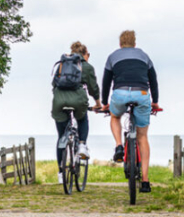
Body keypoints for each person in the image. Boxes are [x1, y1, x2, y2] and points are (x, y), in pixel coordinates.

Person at [101, 30, 160, 193]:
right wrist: (154, 102)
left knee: (115, 117)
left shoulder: (113, 56)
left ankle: (119, 146)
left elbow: (106, 82)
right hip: (141, 94)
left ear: (120, 44)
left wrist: (105, 103)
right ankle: (146, 181)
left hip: (119, 94)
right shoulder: (144, 56)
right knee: (142, 136)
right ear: (135, 44)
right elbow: (153, 81)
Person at [51, 41, 102, 184]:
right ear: (86, 54)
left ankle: (61, 173)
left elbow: (54, 84)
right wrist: (98, 104)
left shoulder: (61, 65)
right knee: (82, 119)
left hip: (59, 101)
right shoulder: (87, 66)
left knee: (61, 137)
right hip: (78, 101)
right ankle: (81, 145)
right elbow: (93, 89)